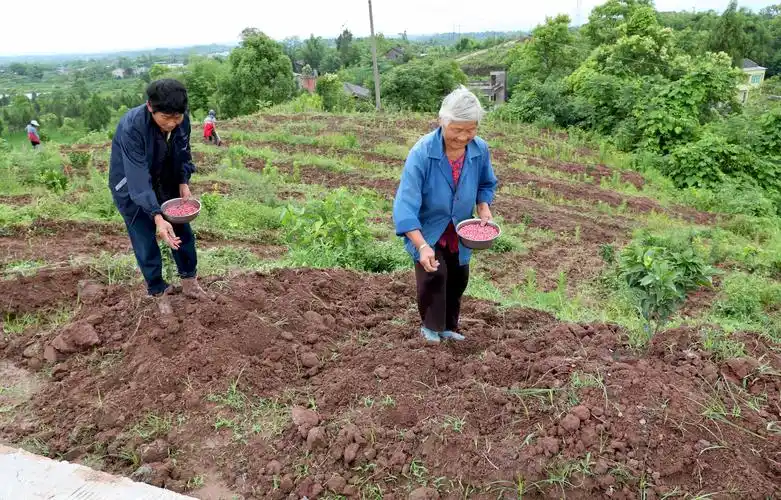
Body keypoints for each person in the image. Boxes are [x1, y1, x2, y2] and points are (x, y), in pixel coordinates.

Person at [393, 86, 498, 344]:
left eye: (470, 130)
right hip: (428, 227)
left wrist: (483, 206)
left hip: (460, 228)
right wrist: (421, 246)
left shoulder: (479, 149)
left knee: (459, 277)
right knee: (434, 274)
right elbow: (405, 204)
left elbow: (486, 184)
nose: (463, 137)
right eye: (457, 129)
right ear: (442, 121)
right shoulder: (422, 153)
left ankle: (449, 327)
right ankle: (430, 328)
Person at [108, 79, 212, 315]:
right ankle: (157, 290)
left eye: (177, 117)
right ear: (150, 107)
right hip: (131, 187)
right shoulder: (132, 127)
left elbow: (184, 154)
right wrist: (156, 215)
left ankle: (190, 283)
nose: (172, 124)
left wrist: (183, 182)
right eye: (166, 118)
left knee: (182, 232)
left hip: (166, 180)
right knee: (144, 237)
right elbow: (136, 176)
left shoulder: (181, 123)